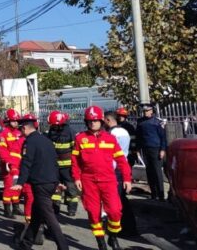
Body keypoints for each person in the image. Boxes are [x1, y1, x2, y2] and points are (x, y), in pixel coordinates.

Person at [72, 106, 132, 250]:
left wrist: (127, 179)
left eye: (95, 121)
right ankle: (101, 243)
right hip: (89, 181)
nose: (93, 123)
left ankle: (112, 236)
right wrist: (77, 178)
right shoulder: (80, 138)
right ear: (86, 122)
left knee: (115, 211)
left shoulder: (110, 139)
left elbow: (122, 161)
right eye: (90, 121)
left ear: (101, 121)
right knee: (93, 213)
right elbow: (75, 161)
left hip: (108, 180)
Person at [11, 115, 69, 250]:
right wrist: (57, 181)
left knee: (50, 218)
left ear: (24, 128)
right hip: (50, 182)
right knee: (36, 215)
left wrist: (20, 182)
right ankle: (25, 244)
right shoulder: (46, 140)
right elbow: (54, 163)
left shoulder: (29, 142)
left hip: (41, 185)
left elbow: (26, 163)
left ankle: (63, 247)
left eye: (21, 129)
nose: (21, 132)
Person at [105, 111, 138, 237]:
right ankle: (129, 226)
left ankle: (124, 227)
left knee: (117, 200)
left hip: (114, 169)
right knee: (122, 199)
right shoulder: (124, 131)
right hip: (122, 166)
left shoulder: (111, 134)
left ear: (108, 120)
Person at [46, 110, 79, 216]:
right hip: (55, 166)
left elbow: (76, 150)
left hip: (68, 167)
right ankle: (55, 208)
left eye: (54, 125)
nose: (53, 127)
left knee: (71, 189)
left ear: (60, 124)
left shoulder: (70, 132)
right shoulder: (52, 131)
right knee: (55, 189)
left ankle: (72, 208)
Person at [136, 104, 167, 201]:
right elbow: (139, 137)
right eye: (144, 111)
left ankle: (161, 195)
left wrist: (162, 149)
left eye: (147, 111)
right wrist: (137, 149)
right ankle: (153, 194)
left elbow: (163, 137)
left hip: (156, 149)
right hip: (145, 149)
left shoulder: (157, 122)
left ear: (151, 111)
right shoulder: (140, 122)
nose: (146, 113)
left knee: (157, 172)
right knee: (149, 172)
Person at [0, 109, 24, 219]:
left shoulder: (19, 133)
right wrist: (8, 162)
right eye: (14, 121)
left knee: (17, 186)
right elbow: (3, 150)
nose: (16, 123)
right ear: (8, 121)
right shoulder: (3, 133)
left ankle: (16, 207)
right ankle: (7, 209)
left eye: (17, 121)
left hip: (18, 164)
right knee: (9, 187)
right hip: (8, 165)